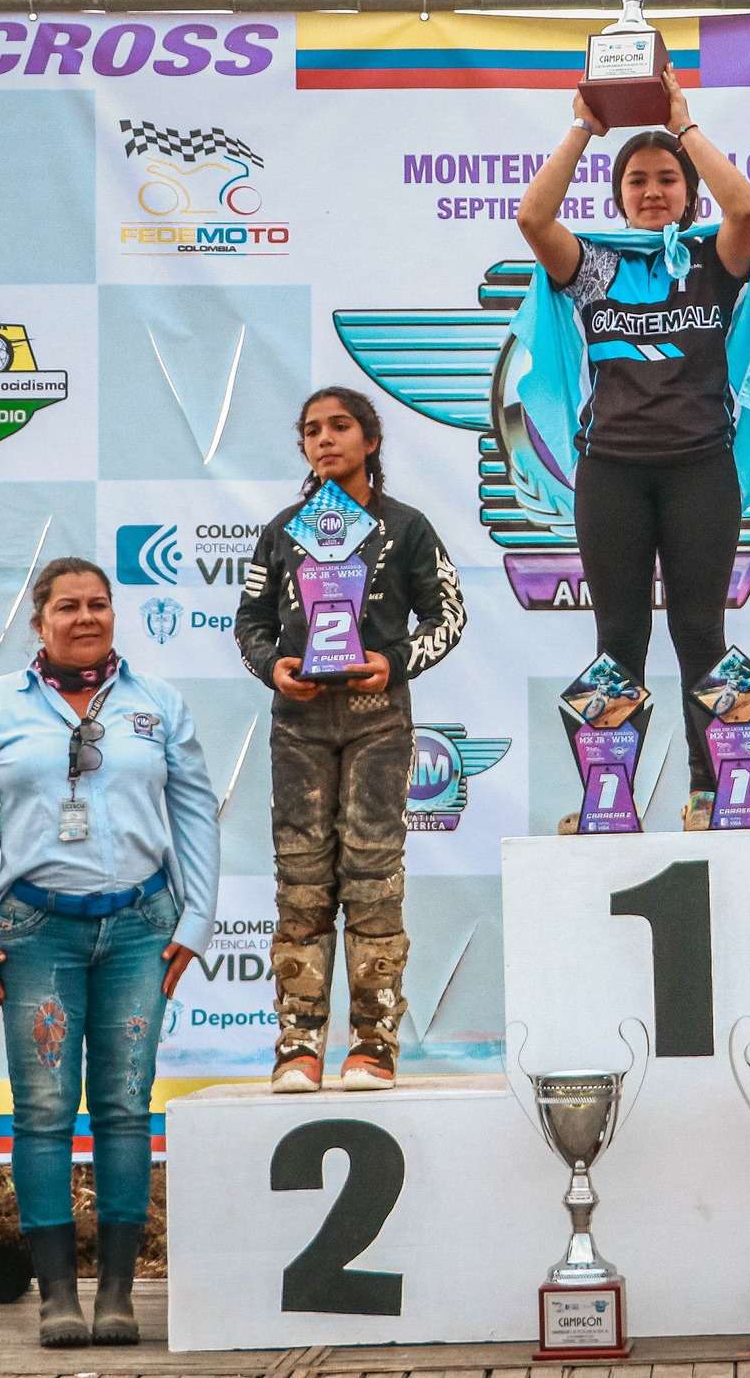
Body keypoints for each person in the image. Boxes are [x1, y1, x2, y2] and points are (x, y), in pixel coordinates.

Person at [515, 72, 750, 829]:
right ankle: (609, 799)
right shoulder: (597, 267)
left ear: (687, 188)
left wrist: (684, 125)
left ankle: (713, 792)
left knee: (701, 631)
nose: (652, 191)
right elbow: (533, 218)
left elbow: (747, 207)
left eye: (666, 178)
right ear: (618, 196)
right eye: (636, 181)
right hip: (612, 474)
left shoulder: (714, 260)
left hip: (702, 469)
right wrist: (583, 128)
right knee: (620, 637)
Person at [0, 558, 220, 1350]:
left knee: (124, 1108)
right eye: (67, 607)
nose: (85, 617)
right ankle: (57, 1296)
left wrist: (196, 922)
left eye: (99, 604)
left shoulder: (155, 704)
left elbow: (197, 813)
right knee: (42, 1114)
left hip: (141, 927)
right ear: (39, 622)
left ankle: (117, 1295)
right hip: (37, 932)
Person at [234, 385, 467, 1093]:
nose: (325, 439)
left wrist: (391, 663)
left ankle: (374, 1043)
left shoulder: (408, 527)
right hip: (299, 726)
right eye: (311, 430)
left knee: (372, 880)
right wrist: (273, 667)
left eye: (340, 427)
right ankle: (298, 1044)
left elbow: (448, 616)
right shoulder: (282, 530)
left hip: (378, 724)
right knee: (301, 884)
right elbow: (249, 624)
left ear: (371, 440)